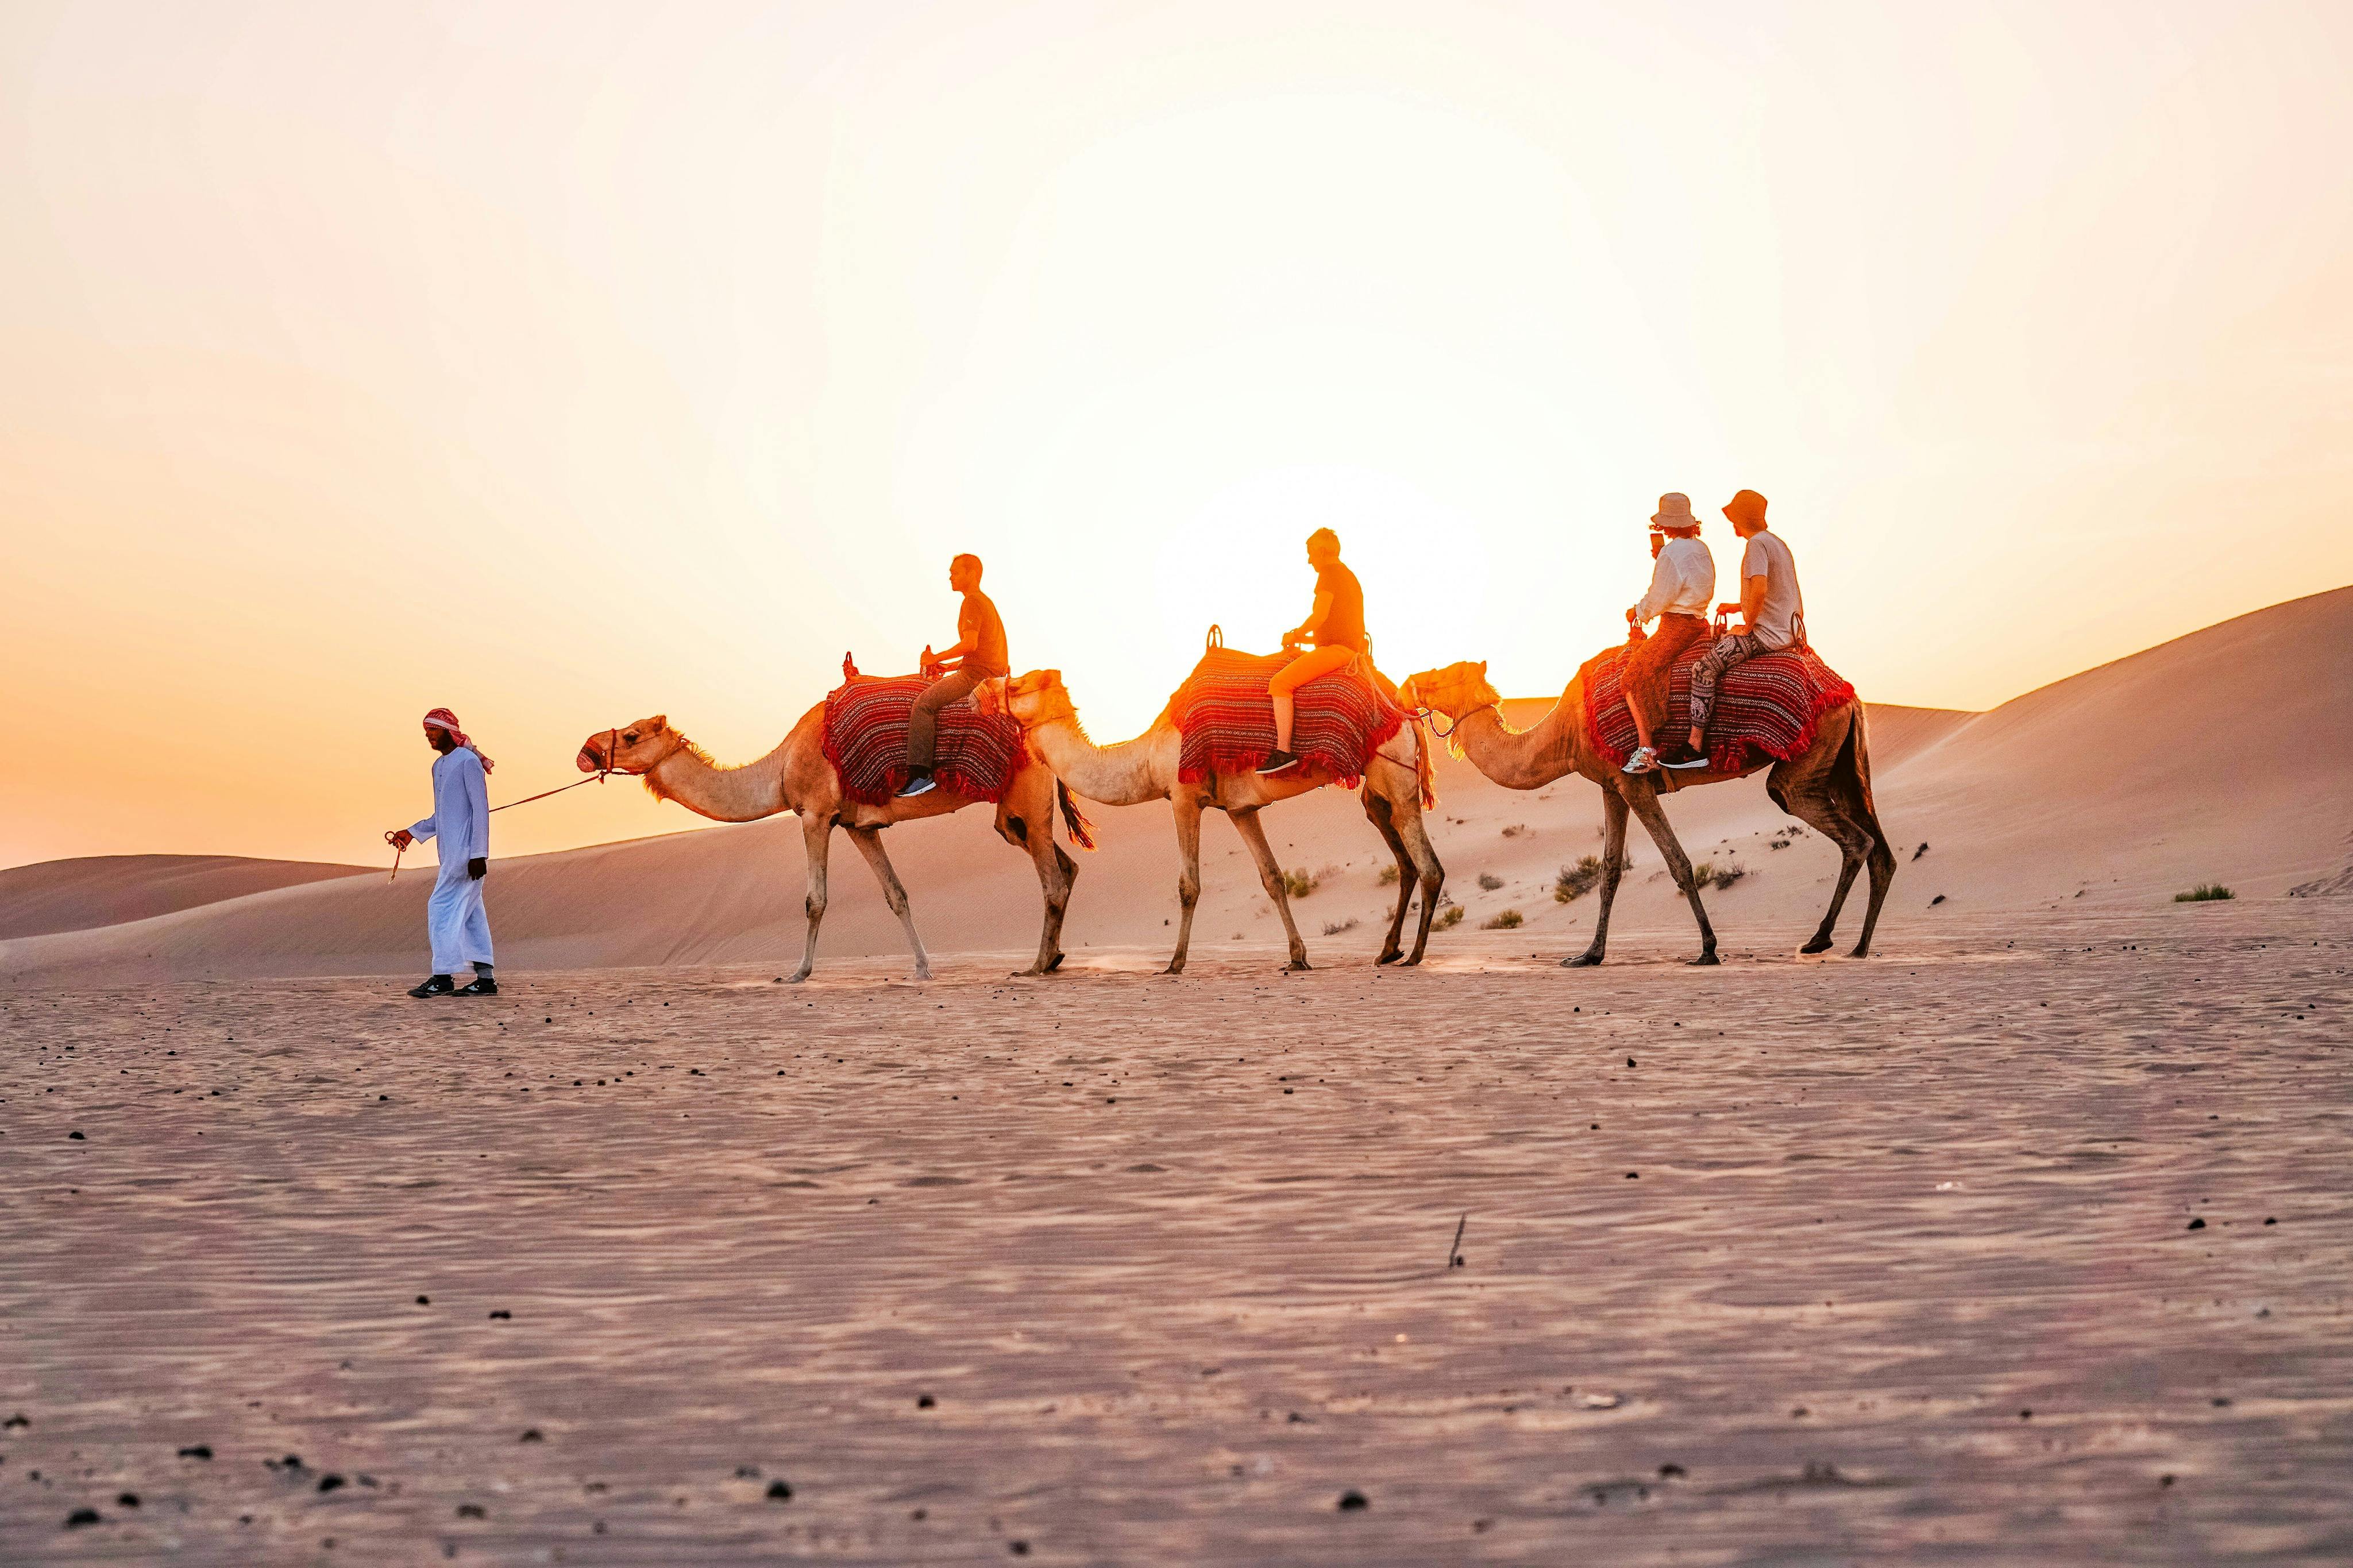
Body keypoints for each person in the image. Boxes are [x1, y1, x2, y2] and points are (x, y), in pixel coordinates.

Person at [385, 708, 496, 998]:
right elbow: (443, 815)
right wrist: (412, 832)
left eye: (433, 730)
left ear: (449, 731)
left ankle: (443, 977)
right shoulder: (439, 766)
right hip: (450, 854)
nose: (429, 735)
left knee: (440, 908)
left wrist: (479, 854)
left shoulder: (468, 762)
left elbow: (481, 810)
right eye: (427, 731)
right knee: (472, 915)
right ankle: (485, 980)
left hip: (466, 855)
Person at [1687, 489, 1806, 755]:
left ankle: (1694, 745)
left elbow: (1761, 589)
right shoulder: (1777, 543)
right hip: (1789, 630)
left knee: (1703, 669)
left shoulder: (1756, 545)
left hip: (1768, 635)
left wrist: (1747, 627)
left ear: (1740, 519)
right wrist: (1739, 606)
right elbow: (1776, 593)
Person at [898, 553, 1010, 798]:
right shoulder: (986, 602)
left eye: (955, 572)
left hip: (975, 678)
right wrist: (947, 667)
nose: (951, 577)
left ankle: (920, 775)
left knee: (923, 705)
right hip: (986, 672)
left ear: (972, 574)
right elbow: (981, 652)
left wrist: (934, 658)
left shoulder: (972, 602)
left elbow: (970, 644)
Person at [1620, 493, 1716, 774]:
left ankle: (1645, 750)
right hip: (1698, 623)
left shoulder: (1671, 553)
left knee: (1631, 677)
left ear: (1665, 524)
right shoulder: (1701, 548)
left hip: (1676, 627)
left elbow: (1660, 597)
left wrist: (1637, 612)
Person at [1258, 527, 1367, 775]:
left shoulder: (1329, 574)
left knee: (1280, 683)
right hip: (1346, 649)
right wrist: (1305, 640)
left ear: (1321, 551)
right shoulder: (1348, 576)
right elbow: (1336, 627)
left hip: (1337, 652)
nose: (1309, 560)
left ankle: (1284, 752)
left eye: (1310, 553)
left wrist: (1295, 634)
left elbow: (1320, 615)